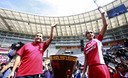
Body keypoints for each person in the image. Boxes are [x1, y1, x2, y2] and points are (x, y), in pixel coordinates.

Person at [82, 7, 110, 78]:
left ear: (93, 34)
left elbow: (105, 25)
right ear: (86, 36)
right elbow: (86, 61)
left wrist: (102, 14)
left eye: (91, 32)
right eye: (88, 33)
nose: (90, 33)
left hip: (100, 65)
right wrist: (83, 72)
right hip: (90, 69)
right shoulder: (85, 47)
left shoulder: (98, 40)